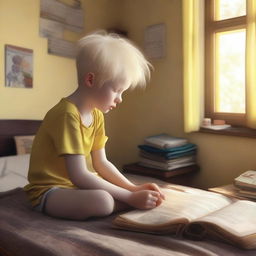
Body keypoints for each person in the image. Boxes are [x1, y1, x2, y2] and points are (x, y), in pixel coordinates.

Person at [24, 31, 165, 220]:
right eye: (117, 91)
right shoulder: (67, 115)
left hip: (76, 188)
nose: (120, 99)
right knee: (102, 201)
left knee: (108, 196)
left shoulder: (97, 115)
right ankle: (125, 203)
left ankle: (126, 201)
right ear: (90, 80)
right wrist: (131, 197)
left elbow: (101, 163)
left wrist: (133, 188)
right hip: (50, 191)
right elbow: (80, 175)